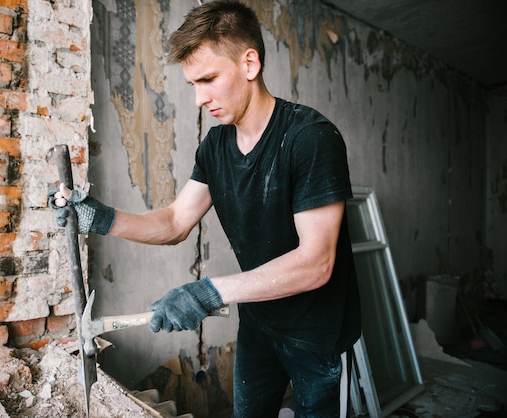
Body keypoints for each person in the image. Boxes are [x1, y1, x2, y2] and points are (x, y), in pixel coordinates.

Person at [49, 1, 361, 416]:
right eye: (193, 84)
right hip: (259, 320)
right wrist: (101, 219)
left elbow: (316, 263)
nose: (199, 99)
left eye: (209, 79)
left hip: (315, 330)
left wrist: (209, 292)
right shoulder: (215, 147)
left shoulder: (310, 138)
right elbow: (175, 221)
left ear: (249, 63)